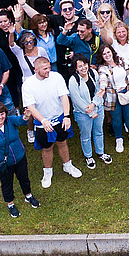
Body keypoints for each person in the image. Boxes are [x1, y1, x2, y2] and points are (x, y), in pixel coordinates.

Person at [20, 54, 84, 188]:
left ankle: (68, 165)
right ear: (36, 69)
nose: (48, 71)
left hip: (59, 118)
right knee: (47, 148)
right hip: (43, 123)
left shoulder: (57, 77)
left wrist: (66, 116)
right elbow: (30, 107)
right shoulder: (28, 84)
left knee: (63, 142)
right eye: (44, 69)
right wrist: (43, 120)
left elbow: (64, 97)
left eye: (49, 68)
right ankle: (48, 171)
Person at [67, 55, 111, 169]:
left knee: (99, 131)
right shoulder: (73, 80)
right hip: (83, 113)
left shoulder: (93, 73)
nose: (83, 68)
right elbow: (76, 100)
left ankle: (100, 152)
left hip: (98, 108)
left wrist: (94, 104)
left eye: (85, 64)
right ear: (76, 68)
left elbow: (99, 91)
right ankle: (88, 156)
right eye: (80, 66)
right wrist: (90, 112)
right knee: (86, 135)